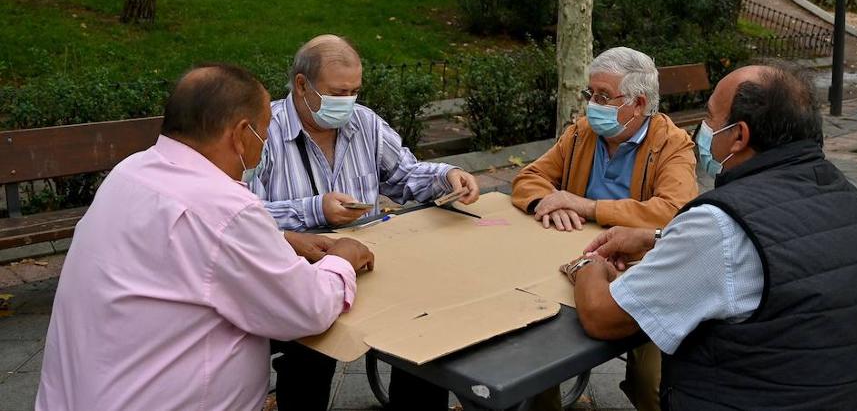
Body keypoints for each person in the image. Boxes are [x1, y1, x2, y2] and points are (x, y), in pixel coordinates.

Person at [561, 63, 857, 411]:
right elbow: (775, 250)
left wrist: (588, 265)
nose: (702, 129)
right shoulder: (849, 202)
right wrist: (658, 238)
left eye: (709, 118)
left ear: (739, 136)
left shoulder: (719, 226)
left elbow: (603, 317)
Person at [37, 64, 373, 411]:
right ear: (241, 134)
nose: (266, 141)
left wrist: (280, 238)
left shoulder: (130, 172)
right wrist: (342, 258)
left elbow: (187, 247)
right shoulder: (223, 207)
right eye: (265, 130)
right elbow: (307, 309)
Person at [251, 34, 479, 410]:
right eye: (338, 92)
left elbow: (404, 176)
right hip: (300, 274)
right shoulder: (265, 131)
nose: (348, 102)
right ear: (302, 85)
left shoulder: (364, 123)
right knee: (313, 349)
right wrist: (315, 211)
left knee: (425, 324)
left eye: (355, 90)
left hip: (371, 265)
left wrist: (446, 176)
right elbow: (242, 215)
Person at [511, 47, 698, 411]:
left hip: (640, 267)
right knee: (533, 353)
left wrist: (588, 206)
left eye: (602, 96)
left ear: (638, 103)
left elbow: (673, 211)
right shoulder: (582, 134)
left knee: (650, 383)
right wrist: (545, 203)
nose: (591, 105)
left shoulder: (672, 144)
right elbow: (529, 177)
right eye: (589, 94)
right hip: (572, 258)